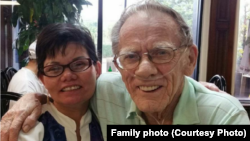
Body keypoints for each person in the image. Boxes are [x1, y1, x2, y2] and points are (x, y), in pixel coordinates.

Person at [0, 1, 249, 141]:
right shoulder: (107, 89)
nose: (145, 70)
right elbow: (69, 92)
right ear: (118, 64)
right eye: (130, 56)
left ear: (189, 58)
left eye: (162, 52)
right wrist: (32, 98)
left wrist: (192, 88)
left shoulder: (222, 117)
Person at [16, 23, 103, 141]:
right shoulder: (31, 131)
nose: (67, 75)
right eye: (54, 69)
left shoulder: (108, 116)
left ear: (97, 69)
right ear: (42, 79)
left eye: (79, 64)